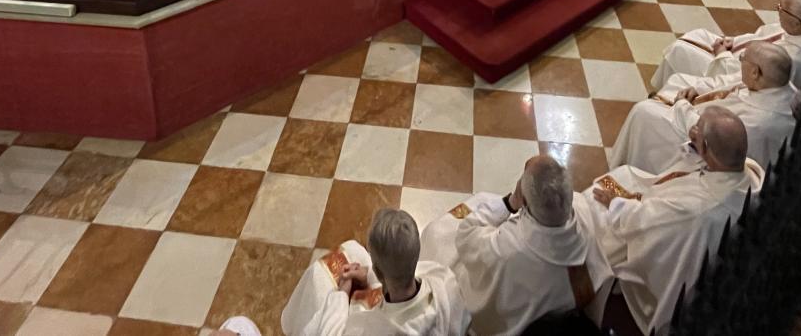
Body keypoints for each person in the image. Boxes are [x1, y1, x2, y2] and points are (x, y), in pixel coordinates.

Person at [581, 108, 763, 336]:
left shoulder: (695, 210)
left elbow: (643, 223)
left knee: (593, 200)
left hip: (661, 255)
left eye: (698, 128)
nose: (693, 129)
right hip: (669, 208)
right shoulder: (751, 172)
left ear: (706, 147)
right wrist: (698, 148)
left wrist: (616, 204)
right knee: (626, 173)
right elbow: (703, 167)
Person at [419, 155, 610, 336]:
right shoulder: (584, 211)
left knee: (438, 233)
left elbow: (466, 236)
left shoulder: (506, 248)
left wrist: (509, 203)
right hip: (556, 319)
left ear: (525, 202)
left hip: (512, 324)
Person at [611, 43, 796, 173]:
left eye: (742, 60)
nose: (740, 63)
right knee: (677, 81)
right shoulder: (777, 86)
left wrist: (682, 105)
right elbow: (730, 81)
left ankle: (628, 170)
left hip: (706, 150)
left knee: (643, 112)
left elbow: (712, 135)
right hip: (707, 119)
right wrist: (699, 89)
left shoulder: (760, 122)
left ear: (755, 72)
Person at [281, 208, 469, 336]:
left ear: (378, 270)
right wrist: (369, 275)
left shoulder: (374, 329)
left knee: (319, 274)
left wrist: (341, 295)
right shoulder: (443, 280)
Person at [649, 0, 801, 95]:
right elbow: (760, 36)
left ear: (797, 24)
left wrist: (722, 53)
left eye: (781, 9)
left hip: (734, 70)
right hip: (739, 54)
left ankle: (666, 95)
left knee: (680, 50)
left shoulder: (795, 57)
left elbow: (745, 75)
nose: (778, 10)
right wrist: (733, 41)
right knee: (698, 35)